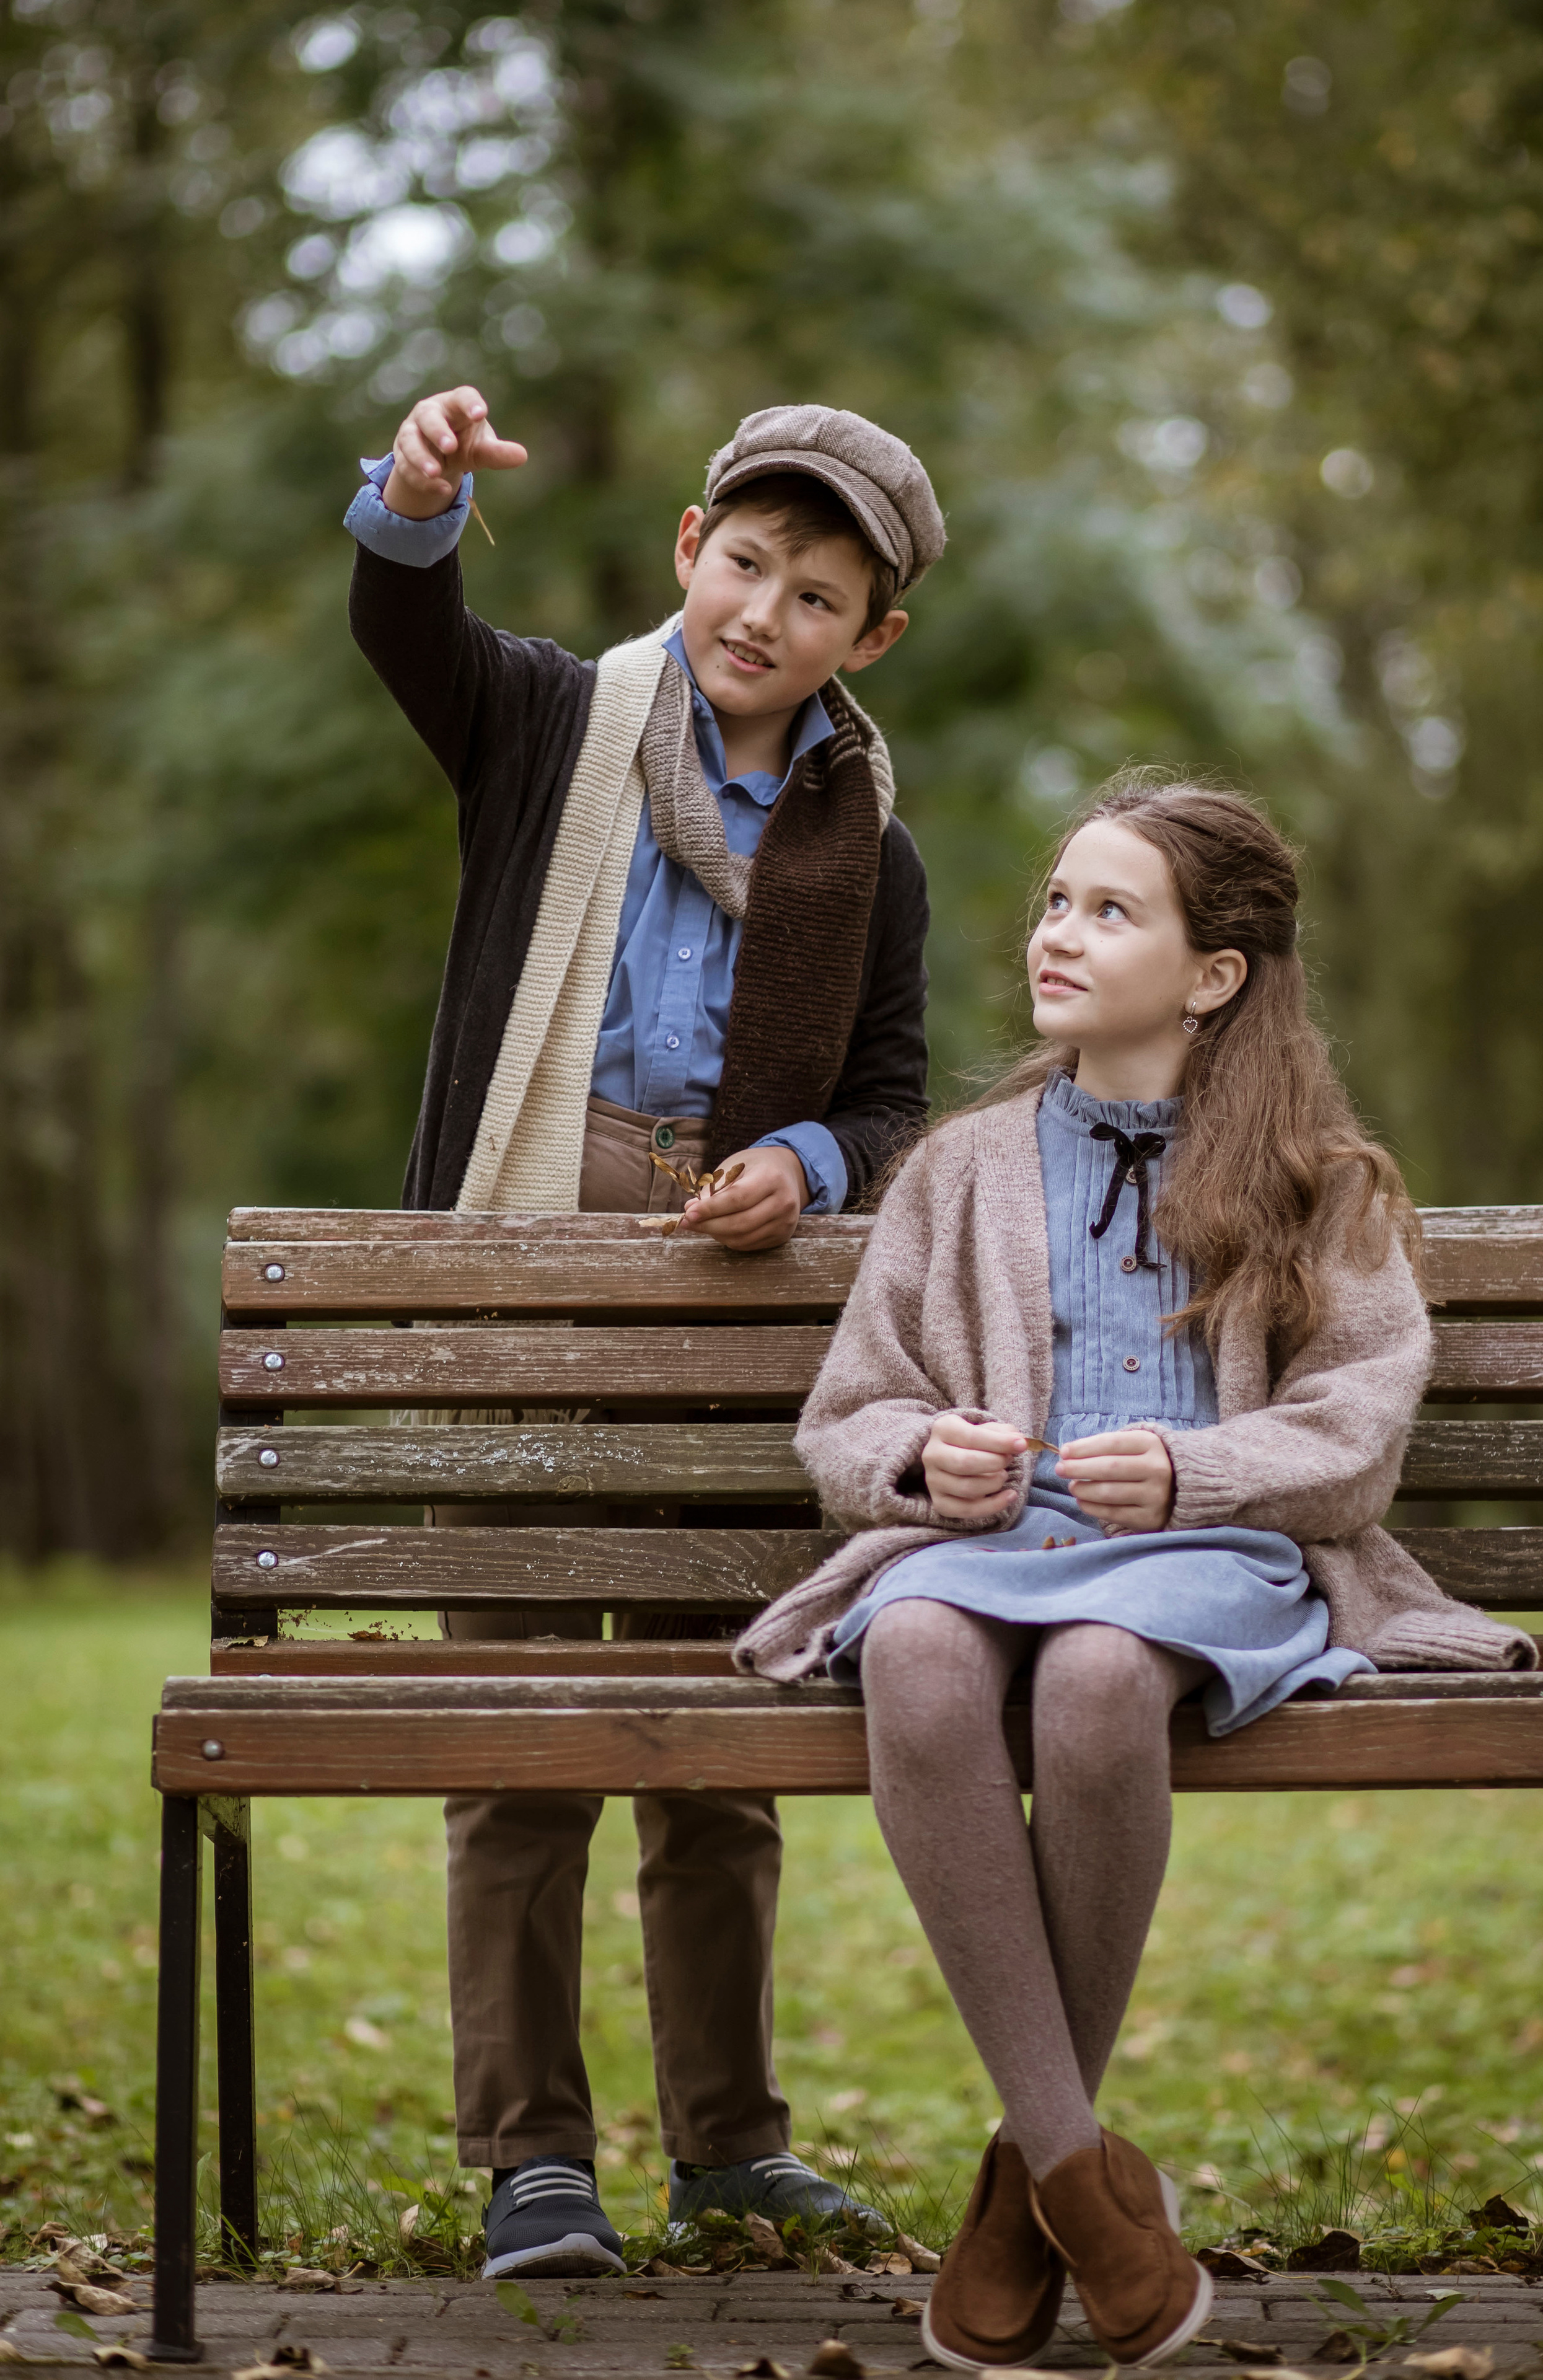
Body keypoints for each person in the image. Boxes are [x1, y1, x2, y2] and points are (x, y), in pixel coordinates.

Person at [734, 775, 1536, 2369]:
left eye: (1111, 911)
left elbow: (1355, 1433)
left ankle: (1018, 2182)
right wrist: (921, 1459)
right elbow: (850, 1417)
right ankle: (1081, 2184)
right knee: (911, 1655)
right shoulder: (961, 1167)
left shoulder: (1320, 1179)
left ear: (1213, 971)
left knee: (1101, 1684)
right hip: (984, 1550)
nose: (1059, 933)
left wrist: (1195, 1469)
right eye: (1053, 900)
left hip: (1206, 1559)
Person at [345, 392, 943, 2276]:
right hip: (528, 1249)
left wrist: (800, 1160)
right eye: (750, 561)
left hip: (728, 1289)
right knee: (519, 1717)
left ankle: (729, 2144)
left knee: (721, 1737)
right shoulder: (549, 727)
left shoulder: (873, 854)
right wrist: (417, 501)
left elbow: (891, 1099)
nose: (768, 610)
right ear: (692, 545)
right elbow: (405, 631)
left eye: (820, 594)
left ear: (870, 638)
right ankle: (534, 2149)